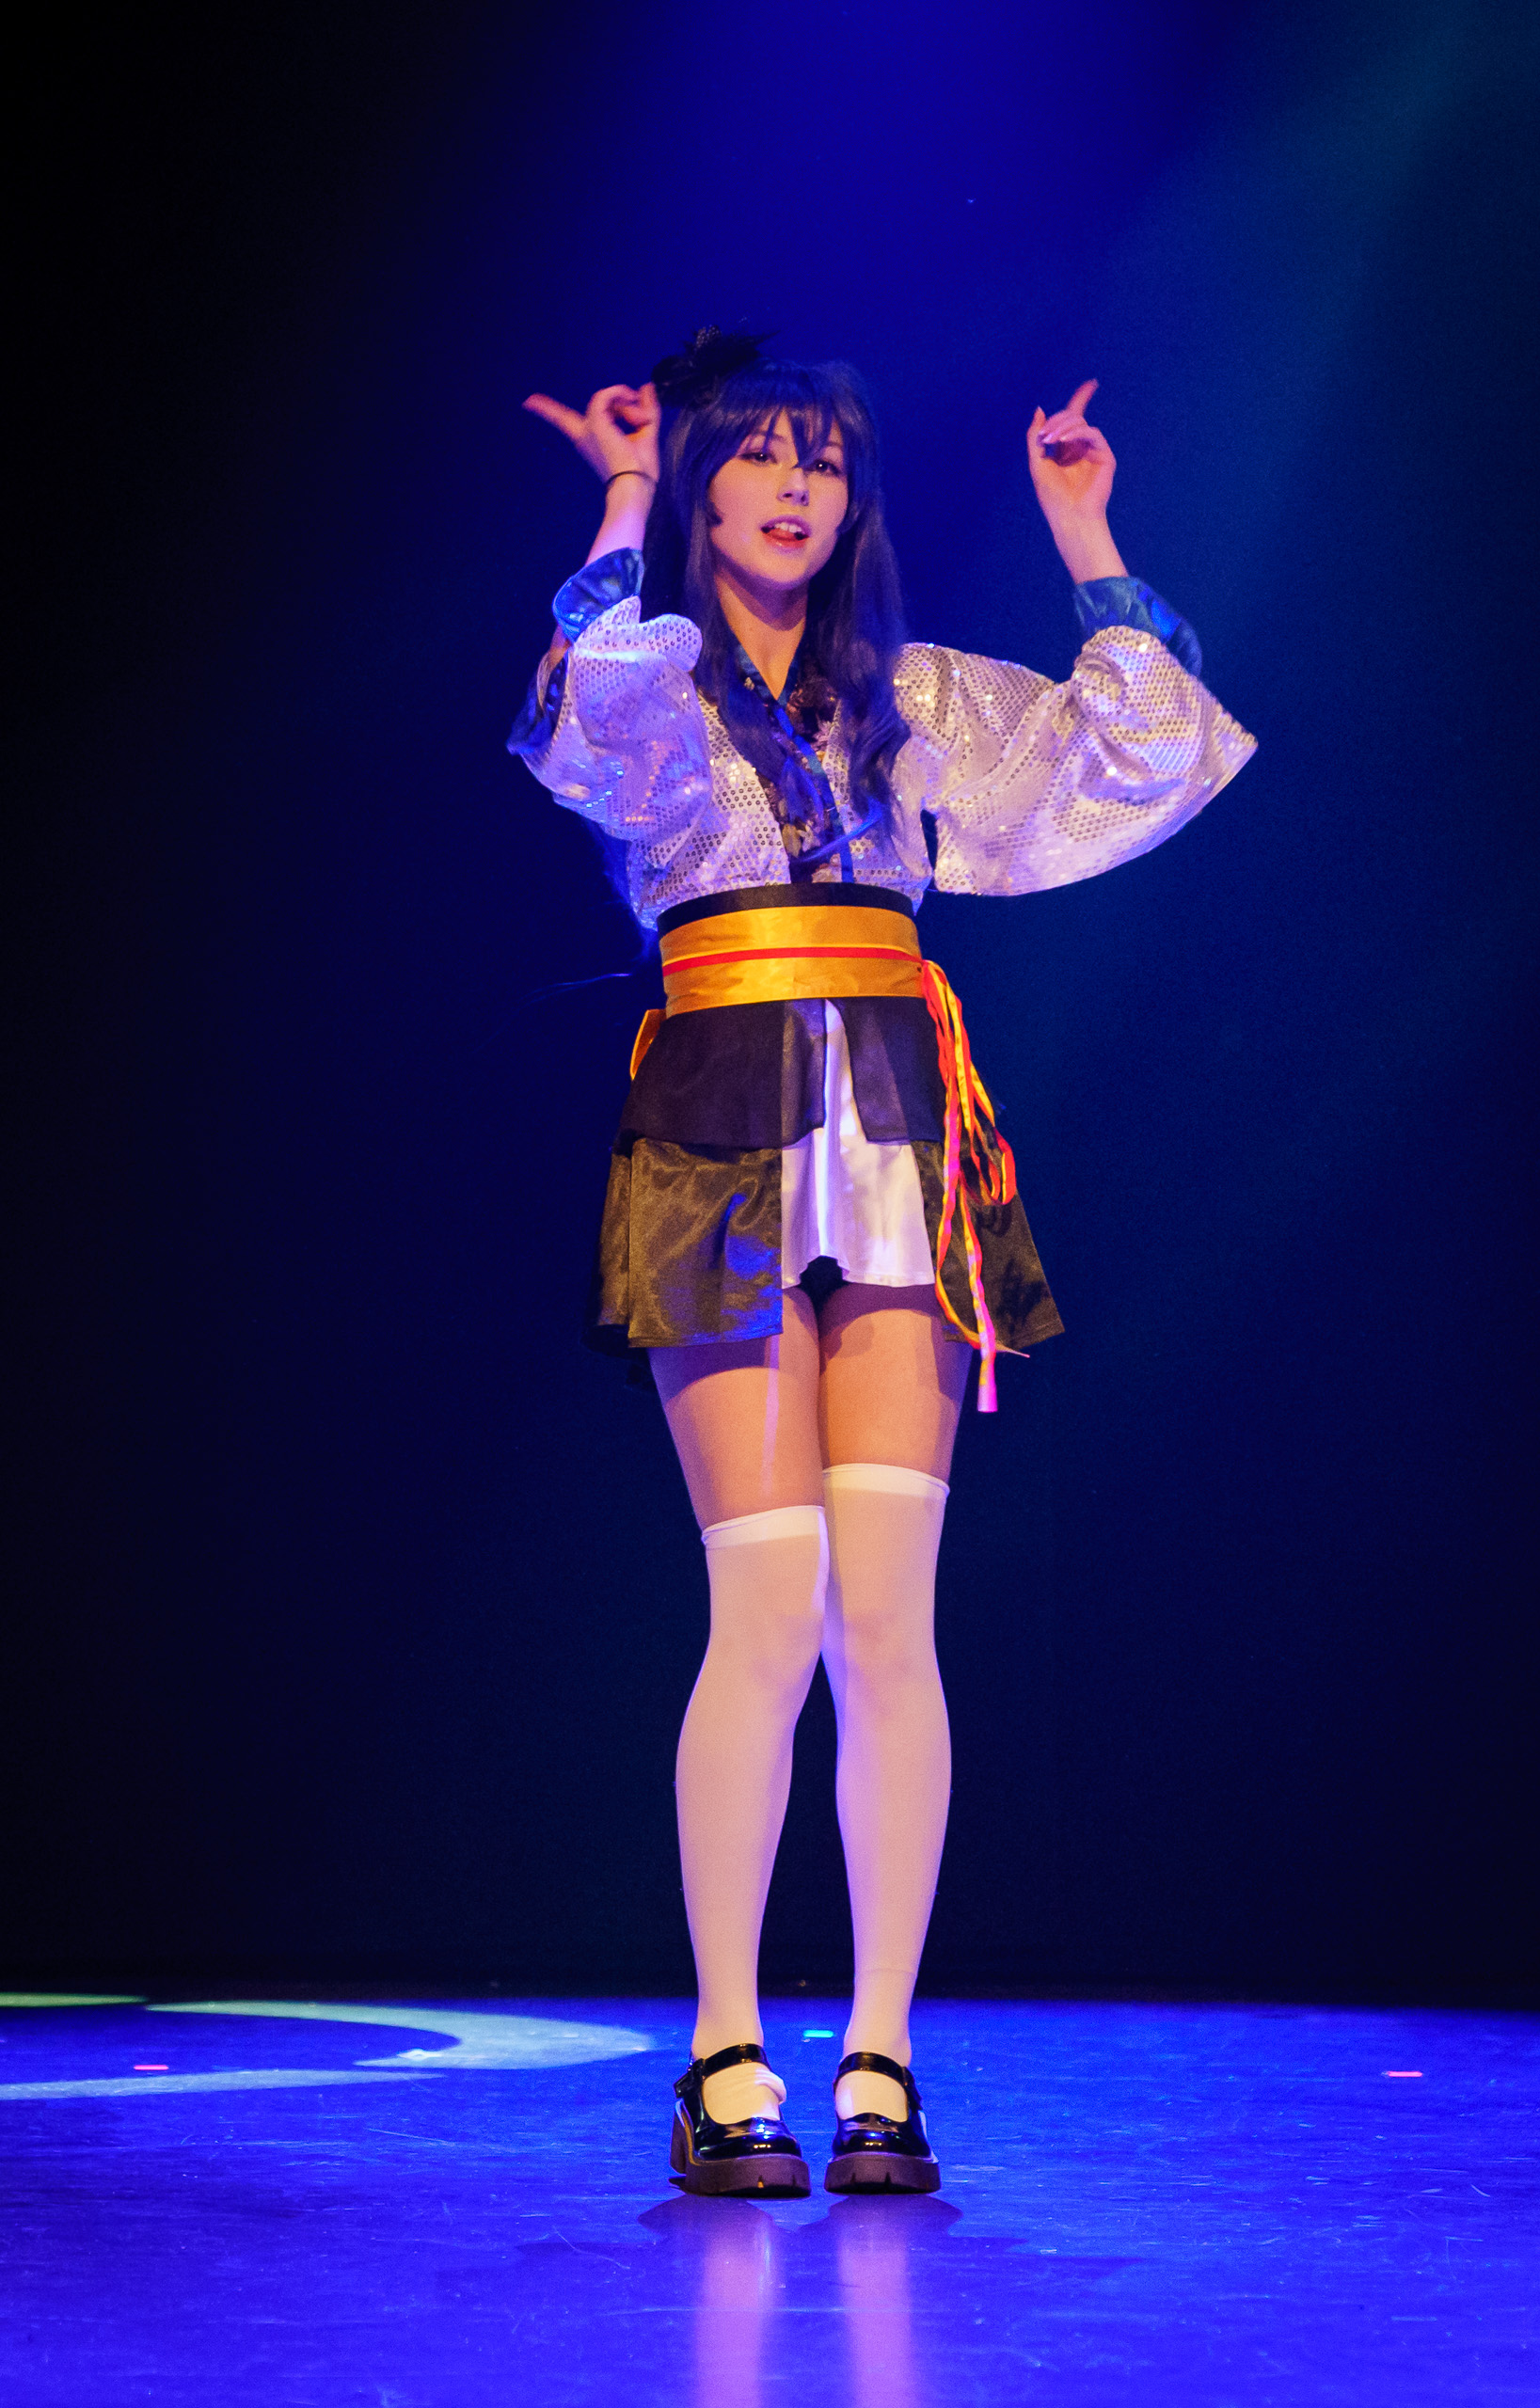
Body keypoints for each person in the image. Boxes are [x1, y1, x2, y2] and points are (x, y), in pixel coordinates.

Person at [511, 330, 1255, 2196]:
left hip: (899, 1128)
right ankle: (722, 2052)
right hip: (717, 1122)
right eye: (758, 457)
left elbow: (1140, 747)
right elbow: (583, 709)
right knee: (764, 1610)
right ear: (704, 491)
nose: (795, 487)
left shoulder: (908, 697)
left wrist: (1084, 537)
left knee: (887, 1622)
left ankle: (882, 2055)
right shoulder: (663, 677)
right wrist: (619, 493)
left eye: (824, 462)